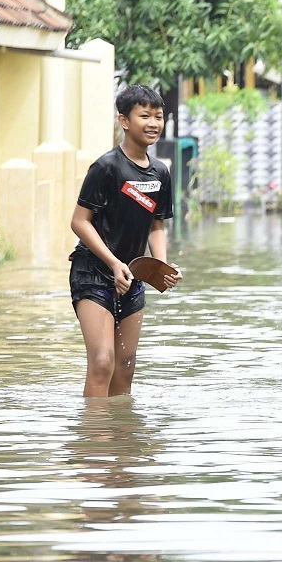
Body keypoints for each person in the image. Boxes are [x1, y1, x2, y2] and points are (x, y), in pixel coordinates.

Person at [69, 84, 182, 398]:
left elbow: (156, 226)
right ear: (124, 120)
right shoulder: (106, 167)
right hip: (93, 273)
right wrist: (114, 263)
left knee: (126, 364)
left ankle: (122, 438)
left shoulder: (161, 172)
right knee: (103, 362)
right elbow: (79, 221)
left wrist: (159, 265)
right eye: (144, 115)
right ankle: (95, 438)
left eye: (158, 116)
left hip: (131, 277)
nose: (153, 123)